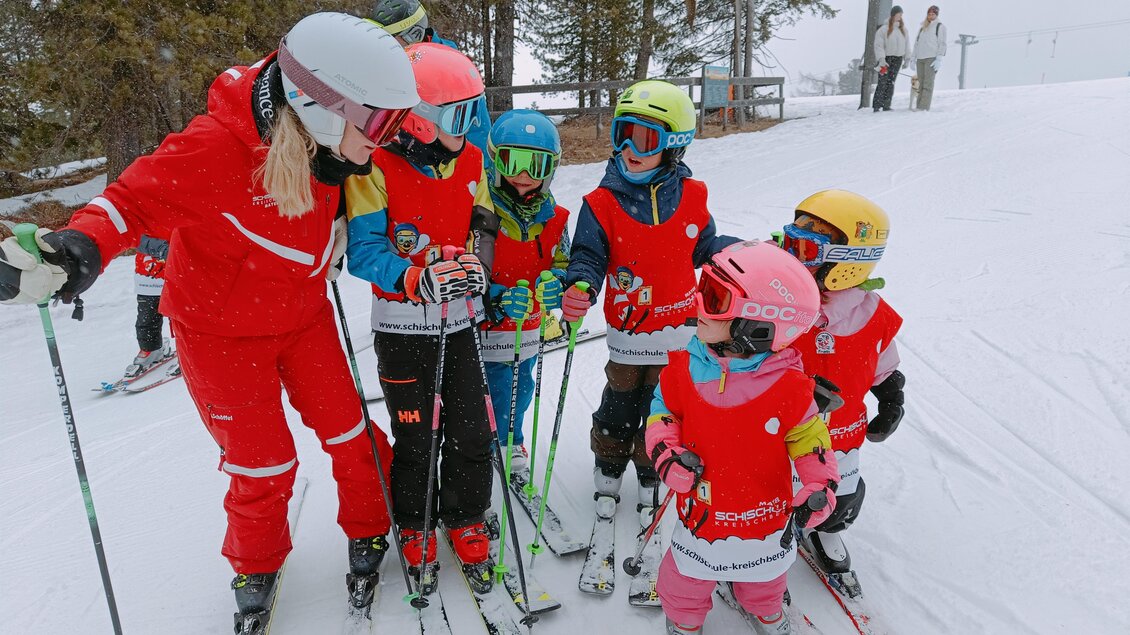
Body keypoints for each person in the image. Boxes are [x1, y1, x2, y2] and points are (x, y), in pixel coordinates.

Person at [0, 12, 419, 624]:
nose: (386, 138)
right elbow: (128, 202)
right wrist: (78, 250)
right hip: (221, 333)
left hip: (303, 316)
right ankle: (258, 560)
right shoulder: (217, 147)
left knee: (351, 434)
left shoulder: (321, 138)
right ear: (322, 105)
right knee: (264, 461)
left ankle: (369, 524)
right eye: (380, 122)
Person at [344, 41, 499, 595]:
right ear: (422, 122)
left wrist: (477, 267)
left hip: (458, 324)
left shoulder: (474, 161)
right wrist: (415, 276)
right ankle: (416, 522)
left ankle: (465, 515)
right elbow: (362, 251)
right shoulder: (373, 167)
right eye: (462, 114)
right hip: (402, 328)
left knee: (473, 431)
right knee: (417, 435)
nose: (473, 124)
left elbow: (483, 227)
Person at [560, 79, 740, 528]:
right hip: (628, 330)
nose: (627, 147)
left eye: (644, 138)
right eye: (622, 132)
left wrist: (740, 255)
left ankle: (648, 465)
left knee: (661, 406)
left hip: (679, 330)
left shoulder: (693, 198)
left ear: (674, 144)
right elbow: (588, 254)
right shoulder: (600, 204)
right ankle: (608, 461)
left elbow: (706, 247)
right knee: (620, 399)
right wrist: (581, 284)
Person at [645, 240, 840, 635]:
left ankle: (765, 608)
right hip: (701, 513)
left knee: (765, 577)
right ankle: (684, 619)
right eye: (703, 287)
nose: (698, 303)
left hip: (764, 515)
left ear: (758, 326)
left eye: (714, 298)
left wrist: (820, 486)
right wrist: (667, 455)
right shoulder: (683, 370)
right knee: (685, 577)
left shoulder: (791, 390)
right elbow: (662, 416)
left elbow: (812, 443)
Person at [775, 190, 906, 582]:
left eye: (806, 247)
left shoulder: (872, 315)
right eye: (790, 242)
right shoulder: (780, 301)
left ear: (847, 264)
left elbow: (884, 361)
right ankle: (758, 543)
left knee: (842, 494)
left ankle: (825, 528)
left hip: (841, 432)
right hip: (779, 430)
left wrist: (891, 397)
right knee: (769, 488)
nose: (793, 256)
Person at [478, 109, 571, 473]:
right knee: (490, 388)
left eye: (536, 165)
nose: (523, 175)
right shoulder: (480, 209)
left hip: (528, 326)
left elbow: (564, 261)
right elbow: (467, 262)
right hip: (485, 324)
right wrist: (495, 297)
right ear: (495, 158)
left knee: (522, 384)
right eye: (513, 161)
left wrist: (557, 284)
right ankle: (487, 442)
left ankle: (511, 437)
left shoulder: (555, 216)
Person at [370, 0, 492, 152]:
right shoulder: (397, 64)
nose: (387, 50)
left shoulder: (452, 70)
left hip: (447, 164)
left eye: (391, 40)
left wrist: (483, 169)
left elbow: (477, 127)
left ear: (414, 35)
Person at [125, 235, 173, 378]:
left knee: (182, 318)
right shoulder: (144, 215)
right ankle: (150, 348)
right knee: (146, 318)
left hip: (177, 272)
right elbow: (134, 237)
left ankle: (189, 351)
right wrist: (162, 248)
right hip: (147, 276)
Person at [872, 5, 909, 112]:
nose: (900, 16)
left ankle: (886, 105)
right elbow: (878, 45)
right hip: (886, 59)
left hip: (898, 59)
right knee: (882, 82)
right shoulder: (883, 29)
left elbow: (907, 45)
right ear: (893, 15)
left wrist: (907, 58)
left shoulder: (903, 30)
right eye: (899, 14)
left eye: (901, 15)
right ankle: (876, 105)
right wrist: (881, 59)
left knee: (891, 82)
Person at [911, 4, 947, 111]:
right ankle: (919, 106)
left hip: (931, 58)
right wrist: (913, 58)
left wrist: (939, 58)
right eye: (929, 14)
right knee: (921, 84)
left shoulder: (940, 27)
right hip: (920, 59)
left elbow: (942, 43)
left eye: (933, 14)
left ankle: (923, 107)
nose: (931, 16)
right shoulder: (923, 28)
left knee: (928, 83)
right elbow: (916, 43)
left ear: (936, 15)